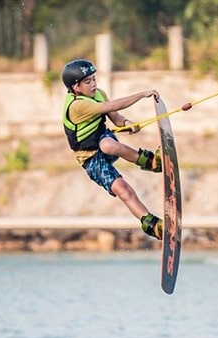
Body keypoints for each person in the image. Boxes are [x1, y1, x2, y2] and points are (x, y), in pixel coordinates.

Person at [61, 58, 163, 240]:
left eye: (94, 79)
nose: (93, 84)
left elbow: (114, 115)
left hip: (103, 139)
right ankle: (152, 225)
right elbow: (112, 106)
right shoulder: (77, 105)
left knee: (108, 145)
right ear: (76, 87)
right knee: (124, 190)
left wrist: (126, 123)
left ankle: (150, 161)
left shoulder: (99, 93)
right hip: (91, 160)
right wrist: (142, 95)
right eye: (88, 81)